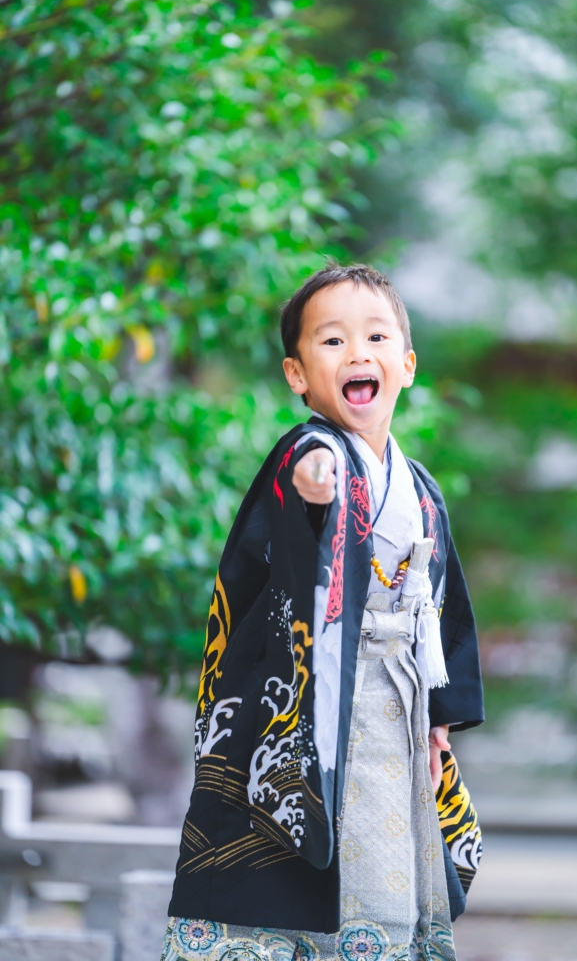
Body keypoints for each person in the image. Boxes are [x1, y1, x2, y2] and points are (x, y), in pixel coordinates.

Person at [162, 263, 484, 961]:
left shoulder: (419, 487)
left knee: (391, 867)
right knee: (326, 864)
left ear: (406, 364)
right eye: (331, 342)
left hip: (396, 703)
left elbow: (441, 604)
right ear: (297, 375)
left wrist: (439, 720)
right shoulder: (308, 453)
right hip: (319, 705)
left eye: (374, 337)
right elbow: (304, 494)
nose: (357, 353)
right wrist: (312, 487)